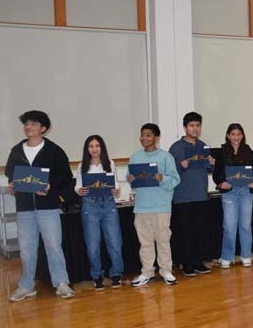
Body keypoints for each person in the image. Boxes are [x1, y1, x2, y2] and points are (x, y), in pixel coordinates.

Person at [5, 110, 75, 301]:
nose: (28, 127)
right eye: (26, 123)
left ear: (43, 128)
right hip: (24, 207)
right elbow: (11, 173)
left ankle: (61, 283)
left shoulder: (54, 150)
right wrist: (12, 183)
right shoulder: (16, 151)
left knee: (53, 245)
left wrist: (51, 185)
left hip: (48, 206)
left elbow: (65, 176)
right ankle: (27, 285)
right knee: (26, 248)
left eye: (33, 124)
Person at [127, 123, 181, 287]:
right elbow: (133, 181)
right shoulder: (135, 157)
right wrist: (131, 181)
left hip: (161, 206)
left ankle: (165, 270)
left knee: (163, 240)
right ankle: (147, 272)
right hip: (142, 206)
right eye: (142, 135)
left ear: (156, 138)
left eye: (148, 135)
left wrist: (162, 178)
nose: (144, 138)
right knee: (145, 242)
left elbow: (175, 180)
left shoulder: (165, 157)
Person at [169, 112, 214, 277]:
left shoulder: (203, 146)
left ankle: (198, 262)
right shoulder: (176, 148)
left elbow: (209, 170)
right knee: (185, 232)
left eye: (197, 125)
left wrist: (212, 163)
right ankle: (186, 264)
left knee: (199, 231)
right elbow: (170, 173)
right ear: (185, 127)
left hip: (201, 195)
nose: (195, 129)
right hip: (183, 197)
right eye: (192, 126)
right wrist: (181, 165)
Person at [76, 135, 124, 290]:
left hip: (108, 204)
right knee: (93, 245)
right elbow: (77, 186)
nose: (94, 149)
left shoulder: (109, 163)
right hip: (90, 206)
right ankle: (97, 276)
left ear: (102, 148)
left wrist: (116, 190)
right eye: (91, 146)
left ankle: (116, 274)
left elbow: (115, 184)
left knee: (115, 243)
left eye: (97, 146)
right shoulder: (82, 165)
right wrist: (79, 190)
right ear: (87, 149)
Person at [213, 123, 253, 267]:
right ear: (228, 136)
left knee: (245, 224)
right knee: (229, 225)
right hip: (230, 193)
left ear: (243, 135)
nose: (236, 137)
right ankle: (227, 257)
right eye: (233, 134)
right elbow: (217, 174)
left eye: (239, 134)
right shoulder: (222, 152)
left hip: (246, 191)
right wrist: (221, 184)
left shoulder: (248, 151)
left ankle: (246, 255)